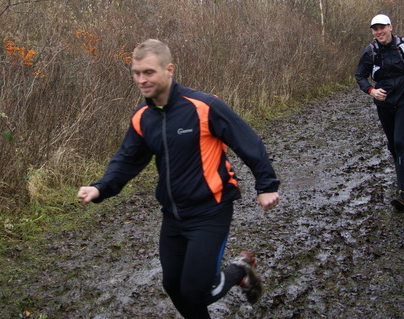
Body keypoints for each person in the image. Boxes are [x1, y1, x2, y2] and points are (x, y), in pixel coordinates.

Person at [76, 39, 280, 318]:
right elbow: (127, 159)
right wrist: (101, 188)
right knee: (174, 287)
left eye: (148, 72)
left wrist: (266, 185)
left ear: (168, 69)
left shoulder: (204, 106)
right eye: (136, 73)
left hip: (211, 210)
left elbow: (247, 141)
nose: (141, 79)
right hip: (173, 215)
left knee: (196, 290)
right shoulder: (142, 118)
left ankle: (239, 270)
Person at [355, 14, 404, 211]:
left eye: (382, 28)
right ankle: (401, 170)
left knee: (399, 141)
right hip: (385, 103)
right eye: (375, 29)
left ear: (390, 27)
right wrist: (371, 91)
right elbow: (360, 75)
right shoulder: (370, 51)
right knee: (392, 144)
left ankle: (401, 192)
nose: (379, 32)